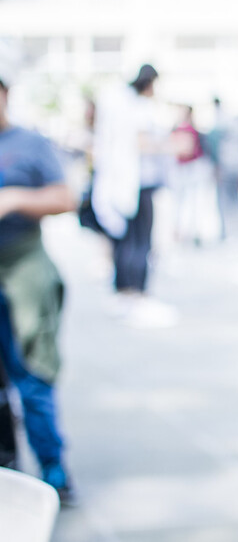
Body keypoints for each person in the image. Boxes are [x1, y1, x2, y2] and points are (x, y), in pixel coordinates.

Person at [0, 75, 77, 501]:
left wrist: (14, 199)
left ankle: (53, 470)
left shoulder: (29, 143)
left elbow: (66, 197)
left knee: (33, 371)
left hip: (23, 263)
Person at [92, 64, 177, 326]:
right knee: (140, 242)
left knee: (125, 241)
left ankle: (124, 292)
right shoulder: (137, 107)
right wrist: (170, 146)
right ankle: (136, 294)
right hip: (138, 184)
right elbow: (142, 142)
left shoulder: (117, 103)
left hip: (121, 185)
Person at [205, 97, 238, 242]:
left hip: (225, 168)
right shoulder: (234, 123)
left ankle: (227, 232)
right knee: (235, 200)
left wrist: (215, 165)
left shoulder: (219, 122)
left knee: (224, 200)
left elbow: (214, 146)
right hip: (235, 166)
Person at [169, 105, 206, 245]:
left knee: (192, 202)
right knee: (181, 202)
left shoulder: (191, 130)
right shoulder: (178, 129)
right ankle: (181, 231)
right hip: (182, 169)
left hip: (191, 168)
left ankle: (191, 231)